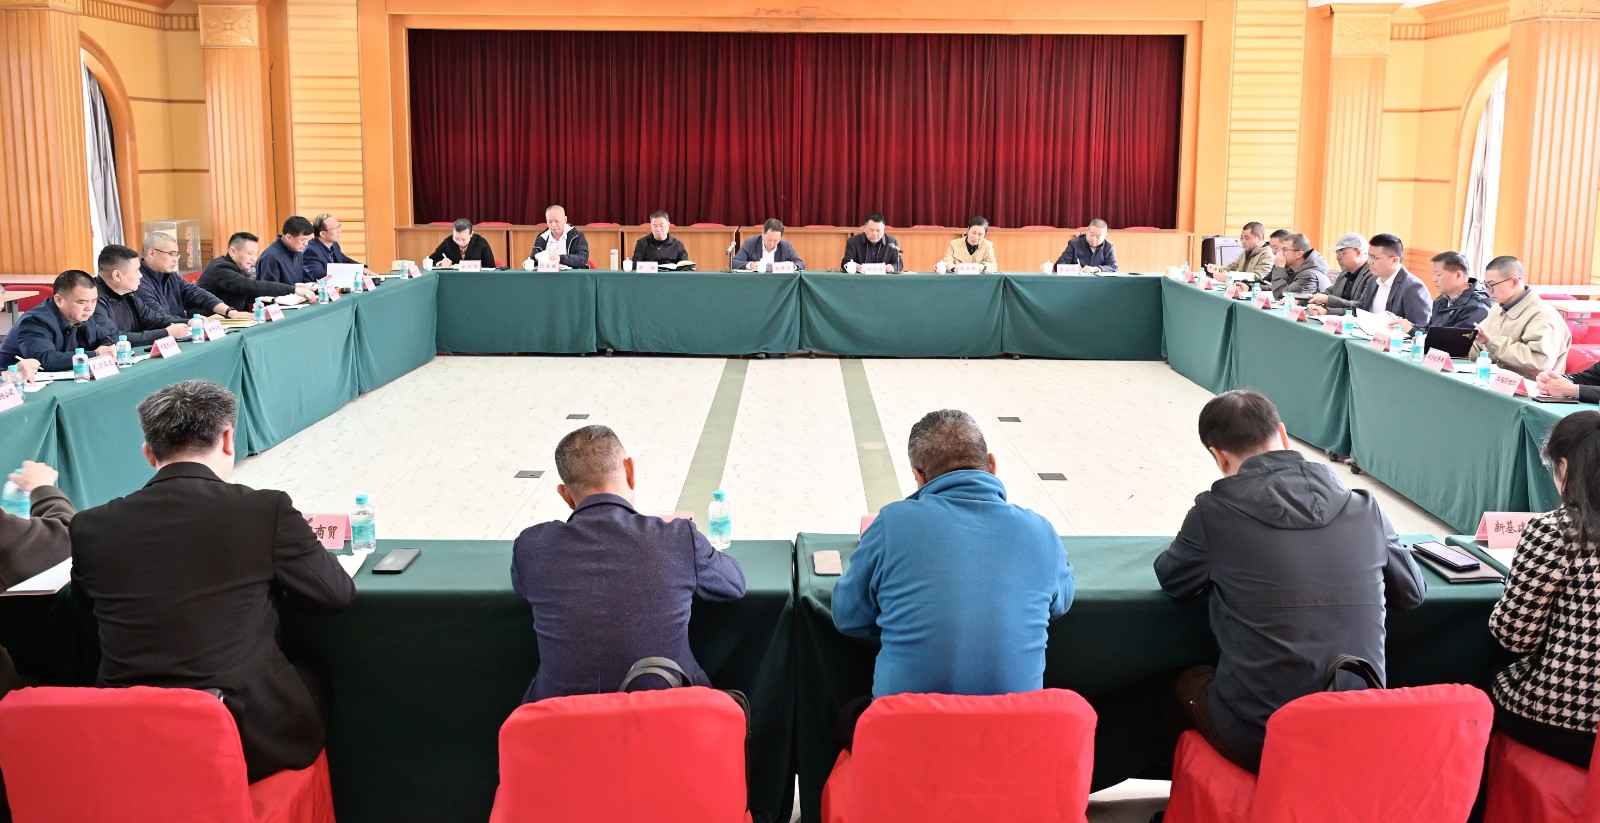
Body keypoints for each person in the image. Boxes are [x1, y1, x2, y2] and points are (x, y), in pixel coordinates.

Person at [70, 380, 355, 783]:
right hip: (243, 739)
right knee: (311, 674)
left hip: (127, 735)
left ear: (149, 452)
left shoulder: (90, 526)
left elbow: (85, 613)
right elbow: (335, 596)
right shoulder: (264, 509)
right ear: (227, 440)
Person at [1154, 390, 1426, 772]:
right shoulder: (1366, 507)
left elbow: (1173, 579)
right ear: (1282, 434)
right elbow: (1413, 592)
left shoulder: (1213, 512)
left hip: (1262, 737)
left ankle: (1200, 797)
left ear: (1219, 456)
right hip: (1358, 722)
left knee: (1178, 680)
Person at [833, 409, 1073, 698]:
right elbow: (1059, 605)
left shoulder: (891, 524)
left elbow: (848, 616)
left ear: (919, 477)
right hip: (1011, 725)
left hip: (908, 725)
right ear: (992, 465)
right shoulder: (1041, 532)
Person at [511, 426, 745, 702]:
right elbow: (734, 584)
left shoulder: (532, 546)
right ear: (630, 471)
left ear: (566, 495)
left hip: (559, 720)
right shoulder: (678, 538)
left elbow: (523, 586)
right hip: (668, 714)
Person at [1487, 411, 1600, 768]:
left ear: (1564, 466)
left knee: (1483, 681)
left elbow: (1514, 637)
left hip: (1568, 719)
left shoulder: (1556, 531)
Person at [1469, 255, 1570, 378]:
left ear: (1514, 282)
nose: (1488, 290)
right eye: (1485, 285)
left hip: (1530, 386)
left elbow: (1539, 363)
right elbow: (1479, 347)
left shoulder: (1542, 315)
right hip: (1496, 380)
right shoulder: (1497, 308)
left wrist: (1492, 342)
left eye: (1492, 285)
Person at [0, 269, 116, 370]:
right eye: (81, 302)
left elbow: (109, 337)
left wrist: (107, 347)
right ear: (59, 300)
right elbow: (45, 360)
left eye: (94, 301)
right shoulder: (35, 321)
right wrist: (96, 355)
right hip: (12, 382)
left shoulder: (82, 315)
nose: (89, 308)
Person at [91, 244, 193, 347]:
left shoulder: (128, 295)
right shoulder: (92, 300)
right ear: (117, 275)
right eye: (137, 270)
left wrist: (189, 322)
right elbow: (113, 337)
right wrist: (166, 333)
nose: (141, 275)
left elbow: (155, 319)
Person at [134, 231, 245, 320]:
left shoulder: (171, 275)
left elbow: (197, 294)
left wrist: (230, 312)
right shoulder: (137, 280)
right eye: (171, 254)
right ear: (152, 253)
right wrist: (196, 322)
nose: (175, 259)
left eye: (177, 254)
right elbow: (160, 318)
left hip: (180, 331)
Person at [197, 232, 317, 312]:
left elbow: (256, 289)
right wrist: (293, 290)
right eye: (250, 253)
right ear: (233, 251)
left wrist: (295, 289)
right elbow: (252, 286)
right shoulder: (221, 268)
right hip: (210, 320)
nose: (254, 258)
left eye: (256, 253)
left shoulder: (240, 267)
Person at [1395, 251, 1492, 337]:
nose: (1434, 279)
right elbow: (1429, 330)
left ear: (1458, 275)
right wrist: (1409, 326)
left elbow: (1454, 341)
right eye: (1433, 274)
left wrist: (1412, 330)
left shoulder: (1477, 307)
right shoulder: (1442, 298)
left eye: (1438, 274)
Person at [1307, 233, 1371, 316]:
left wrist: (1328, 302)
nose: (1337, 257)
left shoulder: (1372, 275)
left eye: (1341, 252)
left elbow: (1361, 307)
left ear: (1358, 252)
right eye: (1336, 253)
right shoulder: (1344, 273)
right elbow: (1327, 294)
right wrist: (1301, 300)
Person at [302, 213, 376, 281]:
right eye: (335, 228)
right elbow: (322, 276)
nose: (339, 230)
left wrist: (362, 269)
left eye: (339, 226)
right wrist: (356, 276)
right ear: (323, 234)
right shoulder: (310, 251)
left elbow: (345, 261)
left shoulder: (334, 245)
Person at [1262, 233, 1328, 300]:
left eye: (1285, 250)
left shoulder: (1309, 276)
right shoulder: (1292, 268)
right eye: (1281, 249)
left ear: (1299, 254)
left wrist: (1279, 268)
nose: (1280, 253)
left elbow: (1280, 295)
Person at [255, 216, 315, 285]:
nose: (306, 244)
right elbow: (270, 288)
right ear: (288, 237)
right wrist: (295, 289)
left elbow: (299, 280)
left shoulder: (297, 251)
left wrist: (315, 284)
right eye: (303, 240)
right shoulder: (271, 257)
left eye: (308, 240)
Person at [1207, 222, 1273, 281]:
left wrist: (1230, 277)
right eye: (1242, 238)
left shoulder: (1268, 255)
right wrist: (1217, 269)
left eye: (1247, 238)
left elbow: (1256, 277)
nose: (1243, 241)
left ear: (1259, 238)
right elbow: (1232, 267)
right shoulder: (1247, 250)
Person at [731, 218, 805, 271]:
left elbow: (800, 263)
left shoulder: (785, 246)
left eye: (776, 240)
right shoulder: (750, 243)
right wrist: (750, 265)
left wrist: (793, 267)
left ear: (780, 237)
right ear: (763, 233)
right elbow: (733, 262)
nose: (772, 243)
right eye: (769, 240)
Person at [530, 205, 590, 269]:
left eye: (557, 221)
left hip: (571, 274)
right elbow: (533, 260)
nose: (553, 225)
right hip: (547, 274)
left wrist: (561, 258)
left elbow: (582, 258)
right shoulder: (542, 238)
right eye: (550, 221)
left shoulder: (577, 236)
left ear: (565, 220)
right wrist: (529, 262)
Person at [429, 219, 498, 269]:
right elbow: (430, 260)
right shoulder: (448, 242)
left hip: (476, 278)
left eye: (463, 239)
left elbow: (490, 266)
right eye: (456, 239)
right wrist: (440, 263)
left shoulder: (481, 242)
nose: (460, 242)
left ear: (471, 234)